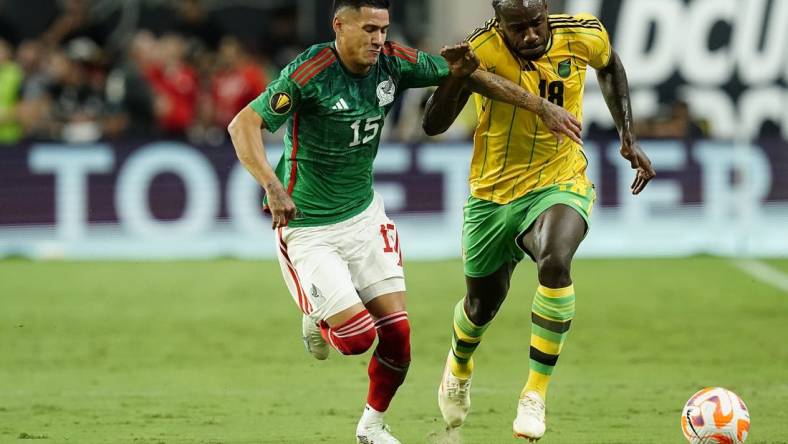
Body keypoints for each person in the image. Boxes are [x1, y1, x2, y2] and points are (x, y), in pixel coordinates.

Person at [228, 0, 584, 442]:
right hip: (309, 226)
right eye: (368, 29)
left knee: (398, 336)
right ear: (339, 25)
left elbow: (471, 77)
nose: (378, 38)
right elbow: (243, 125)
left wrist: (537, 105)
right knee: (358, 337)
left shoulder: (394, 62)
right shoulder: (308, 72)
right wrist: (271, 185)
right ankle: (317, 315)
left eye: (383, 29)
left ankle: (371, 427)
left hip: (364, 217)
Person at [422, 0, 656, 440]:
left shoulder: (584, 33)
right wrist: (458, 77)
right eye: (517, 28)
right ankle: (459, 360)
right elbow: (433, 124)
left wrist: (628, 136)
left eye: (536, 23)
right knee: (480, 307)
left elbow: (610, 67)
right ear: (499, 23)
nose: (529, 35)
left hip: (559, 179)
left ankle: (534, 393)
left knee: (555, 260)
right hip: (491, 194)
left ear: (547, 11)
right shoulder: (481, 48)